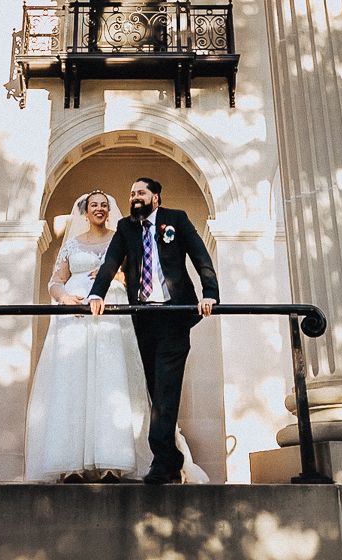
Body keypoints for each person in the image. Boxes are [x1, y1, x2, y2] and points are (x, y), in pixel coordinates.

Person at [88, 177, 220, 486]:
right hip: (143, 318)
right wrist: (97, 294)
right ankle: (171, 458)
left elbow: (201, 256)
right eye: (131, 193)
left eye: (141, 193)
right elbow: (110, 262)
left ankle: (162, 461)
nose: (135, 197)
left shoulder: (176, 219)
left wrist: (210, 292)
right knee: (154, 387)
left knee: (166, 389)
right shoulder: (125, 227)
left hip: (174, 315)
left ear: (155, 198)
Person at [23, 190, 149, 482]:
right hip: (74, 316)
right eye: (95, 205)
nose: (100, 209)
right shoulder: (71, 244)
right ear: (85, 211)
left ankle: (113, 462)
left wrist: (111, 274)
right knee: (73, 381)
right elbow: (55, 282)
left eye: (105, 205)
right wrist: (65, 298)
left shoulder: (121, 238)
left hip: (110, 315)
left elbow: (137, 276)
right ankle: (70, 464)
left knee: (111, 380)